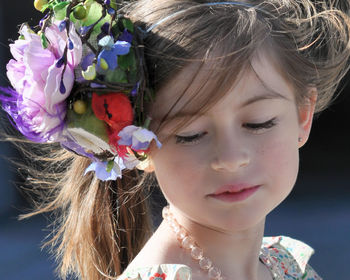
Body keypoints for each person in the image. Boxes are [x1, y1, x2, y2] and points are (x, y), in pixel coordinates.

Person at [1, 0, 349, 279]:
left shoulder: (285, 266)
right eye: (190, 134)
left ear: (303, 117)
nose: (230, 158)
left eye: (258, 123)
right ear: (136, 144)